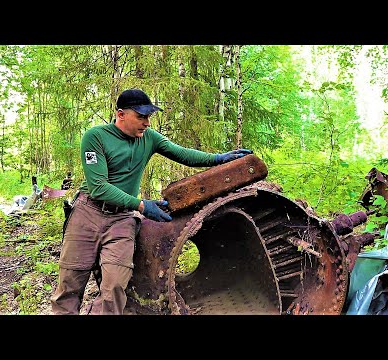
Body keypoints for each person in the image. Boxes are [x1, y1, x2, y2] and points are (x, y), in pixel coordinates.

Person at [50, 88, 252, 315]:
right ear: (121, 114)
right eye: (141, 116)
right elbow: (99, 188)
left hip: (122, 219)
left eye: (148, 117)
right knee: (70, 283)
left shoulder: (150, 138)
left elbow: (183, 154)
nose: (146, 122)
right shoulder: (95, 137)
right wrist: (143, 205)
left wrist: (217, 159)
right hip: (88, 213)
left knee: (116, 285)